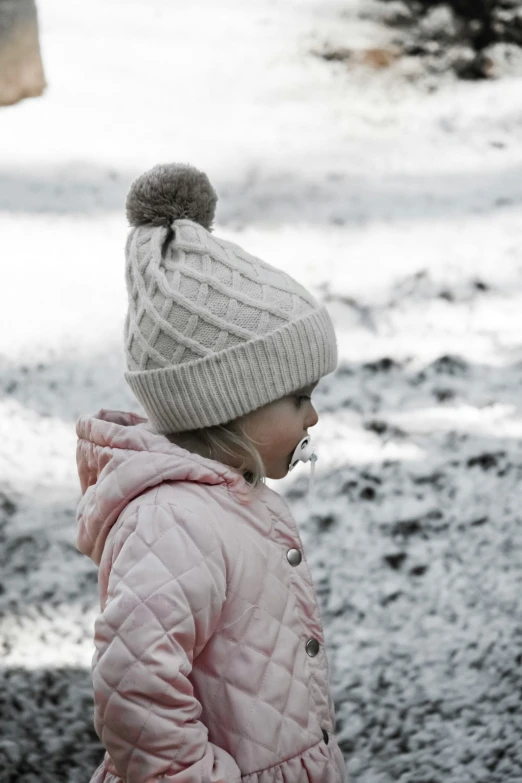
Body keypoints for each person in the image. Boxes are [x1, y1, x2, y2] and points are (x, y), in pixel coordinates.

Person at [76, 163, 347, 783]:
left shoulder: (231, 498)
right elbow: (134, 686)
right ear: (227, 404)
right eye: (298, 397)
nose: (315, 413)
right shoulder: (171, 521)